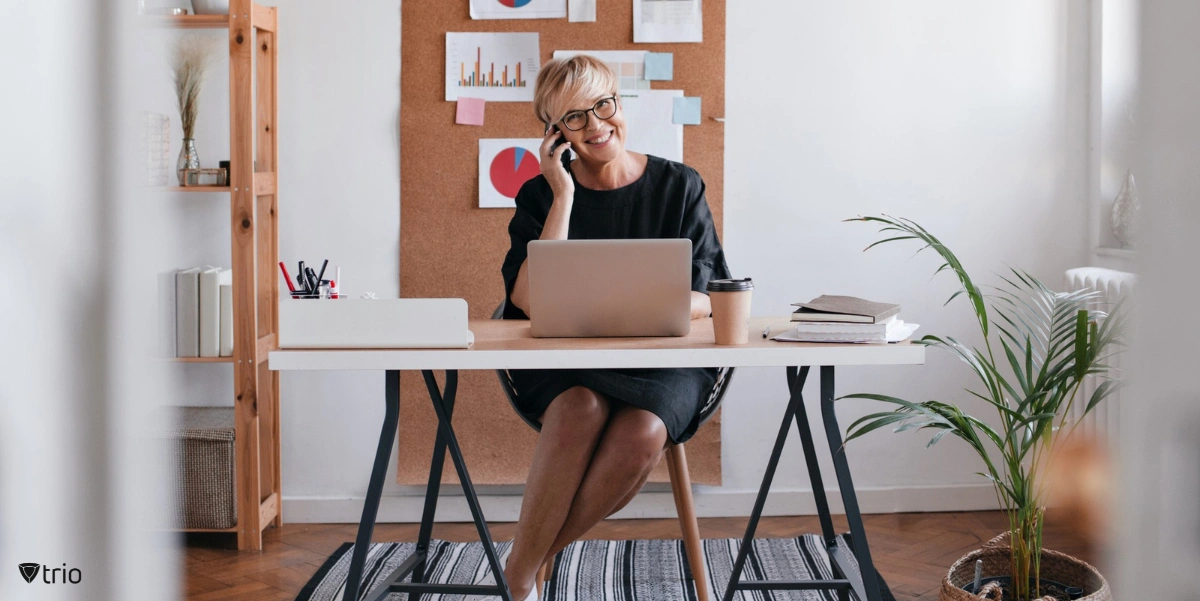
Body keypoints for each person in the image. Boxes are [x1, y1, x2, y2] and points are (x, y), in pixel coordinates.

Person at [498, 55, 731, 601]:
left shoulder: (680, 186)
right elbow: (529, 299)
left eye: (604, 105)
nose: (597, 125)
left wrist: (648, 306)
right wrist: (563, 197)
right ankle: (524, 573)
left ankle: (522, 567)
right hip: (564, 362)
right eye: (575, 118)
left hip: (663, 357)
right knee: (580, 407)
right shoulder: (539, 195)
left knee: (644, 432)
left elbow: (709, 295)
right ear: (555, 134)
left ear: (619, 104)